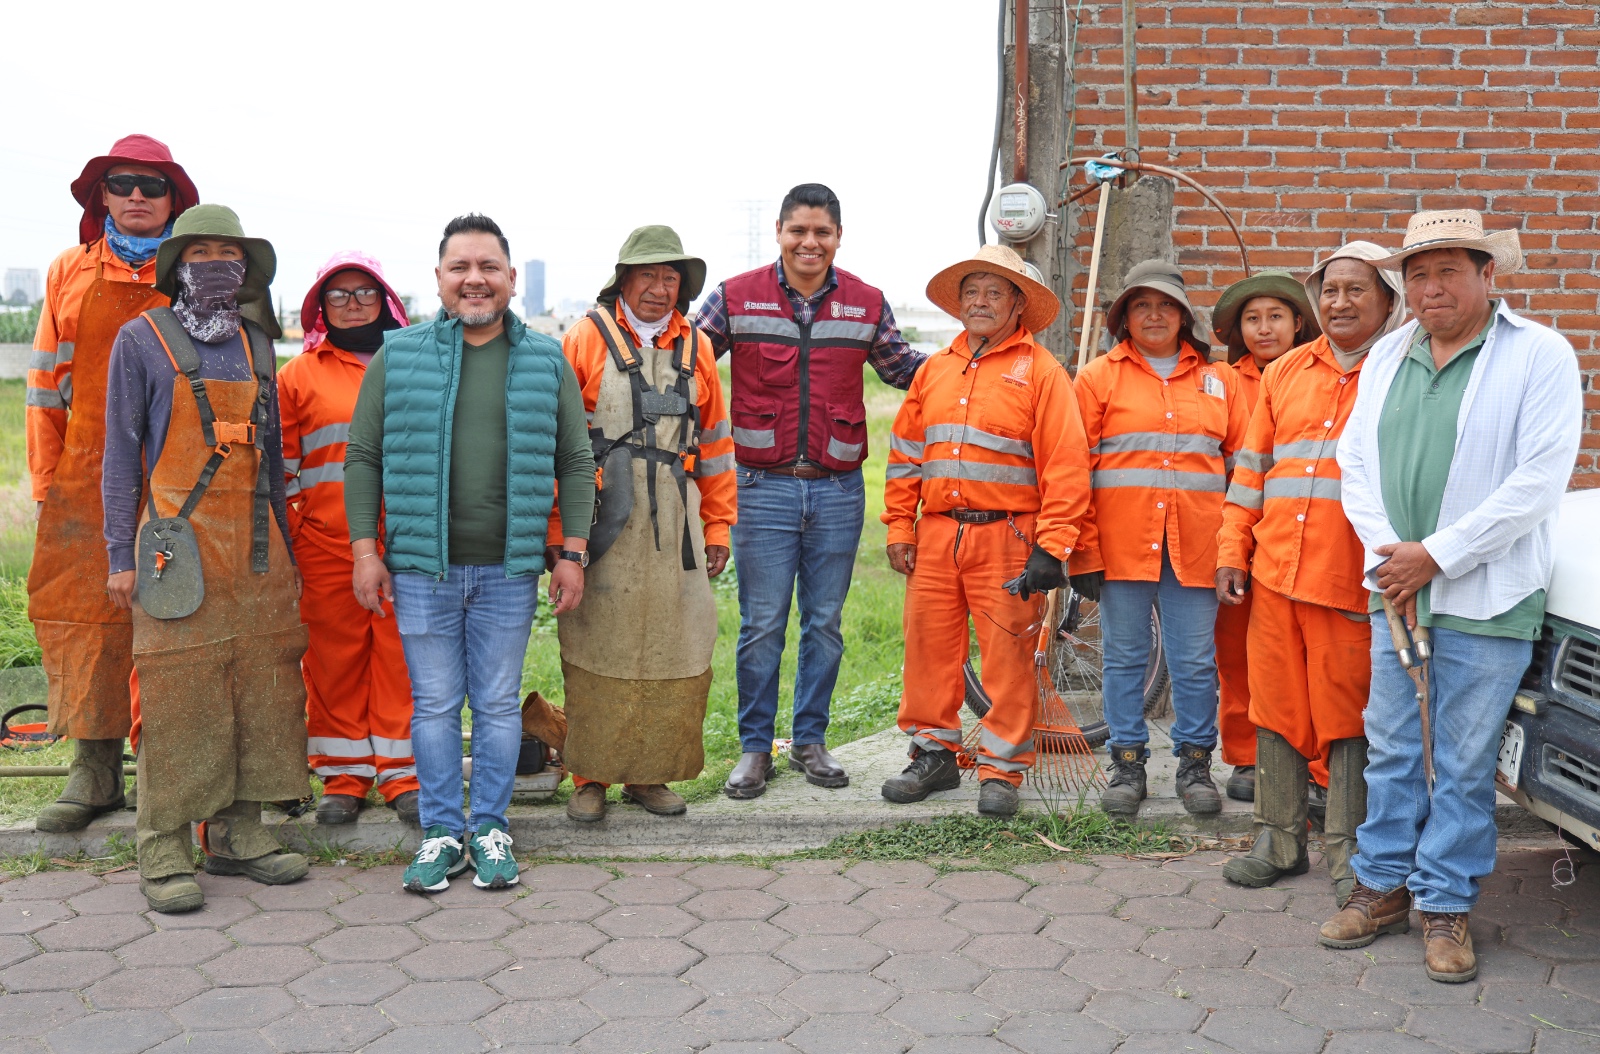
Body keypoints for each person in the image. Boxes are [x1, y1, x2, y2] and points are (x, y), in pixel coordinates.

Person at [1325, 211, 1582, 983]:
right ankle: (1382, 887)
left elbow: (1537, 482)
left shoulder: (1537, 354)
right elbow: (1355, 464)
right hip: (1397, 589)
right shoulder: (1387, 354)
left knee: (1464, 761)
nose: (1430, 289)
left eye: (1448, 272)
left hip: (1486, 594)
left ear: (1487, 275)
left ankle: (1445, 902)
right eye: (1418, 274)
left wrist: (1435, 555)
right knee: (1396, 747)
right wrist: (1392, 556)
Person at [344, 214, 595, 894]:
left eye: (489, 267)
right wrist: (366, 551)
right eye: (461, 267)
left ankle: (489, 827)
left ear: (511, 279)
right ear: (439, 279)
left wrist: (571, 551)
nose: (475, 279)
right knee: (431, 706)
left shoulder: (546, 359)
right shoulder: (400, 356)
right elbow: (362, 457)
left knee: (494, 703)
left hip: (510, 570)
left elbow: (575, 460)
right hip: (423, 568)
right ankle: (440, 834)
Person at [102, 205, 309, 913]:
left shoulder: (257, 344)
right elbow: (119, 462)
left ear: (245, 270)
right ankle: (162, 846)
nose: (218, 263)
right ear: (178, 263)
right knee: (177, 697)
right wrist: (116, 556)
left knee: (261, 690)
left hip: (256, 551)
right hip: (176, 550)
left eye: (231, 252)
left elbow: (275, 462)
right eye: (203, 251)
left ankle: (238, 833)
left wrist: (285, 548)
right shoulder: (139, 340)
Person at [694, 184, 925, 799]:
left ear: (838, 237)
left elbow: (906, 369)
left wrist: (976, 363)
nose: (809, 243)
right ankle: (752, 750)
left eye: (821, 232)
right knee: (762, 623)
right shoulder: (735, 297)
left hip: (838, 490)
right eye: (798, 230)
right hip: (760, 487)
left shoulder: (865, 304)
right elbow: (682, 363)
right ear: (778, 231)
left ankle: (810, 742)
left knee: (824, 623)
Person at [1215, 244, 1405, 904]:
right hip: (1273, 574)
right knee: (1275, 707)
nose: (1340, 302)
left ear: (1388, 301)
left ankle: (1350, 850)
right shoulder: (1287, 371)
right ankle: (1277, 839)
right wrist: (1231, 550)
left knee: (1350, 716)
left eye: (1357, 290)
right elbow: (1251, 471)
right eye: (1329, 291)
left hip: (1350, 580)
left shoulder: (1401, 372)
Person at [879, 244, 1091, 818]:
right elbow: (905, 455)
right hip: (937, 535)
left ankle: (1001, 768)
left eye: (994, 292)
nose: (980, 302)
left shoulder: (1043, 373)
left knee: (1006, 656)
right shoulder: (934, 370)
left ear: (1018, 304)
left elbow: (1067, 465)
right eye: (971, 291)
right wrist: (901, 523)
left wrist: (1053, 546)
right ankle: (934, 753)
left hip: (1009, 538)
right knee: (928, 648)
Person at [28, 135, 198, 833]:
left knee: (177, 619)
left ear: (173, 201)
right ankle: (93, 772)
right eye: (122, 183)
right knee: (88, 626)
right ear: (100, 195)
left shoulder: (194, 274)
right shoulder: (68, 271)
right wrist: (48, 483)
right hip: (84, 477)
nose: (136, 195)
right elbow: (44, 387)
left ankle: (174, 775)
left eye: (151, 186)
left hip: (181, 476)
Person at [551, 226, 736, 823]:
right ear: (623, 279)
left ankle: (650, 775)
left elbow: (716, 446)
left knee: (673, 644)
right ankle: (592, 776)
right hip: (601, 521)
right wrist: (561, 540)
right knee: (595, 643)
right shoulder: (582, 339)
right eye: (649, 276)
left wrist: (717, 529)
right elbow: (560, 447)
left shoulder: (698, 347)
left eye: (671, 278)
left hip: (675, 525)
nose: (660, 289)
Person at [1070, 261, 1250, 817]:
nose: (1154, 314)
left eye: (1165, 305)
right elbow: (1074, 468)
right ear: (1124, 316)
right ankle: (1127, 768)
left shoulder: (1219, 381)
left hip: (1198, 547)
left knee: (1195, 661)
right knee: (1125, 658)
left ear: (1183, 315)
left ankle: (1195, 767)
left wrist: (1234, 550)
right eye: (1141, 305)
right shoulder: (1098, 377)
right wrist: (1083, 549)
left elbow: (1244, 469)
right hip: (1122, 547)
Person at [279, 252, 418, 826]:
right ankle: (344, 776)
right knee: (333, 660)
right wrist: (298, 533)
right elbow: (282, 469)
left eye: (364, 292)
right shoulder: (299, 373)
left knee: (401, 658)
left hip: (405, 541)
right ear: (320, 306)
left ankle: (403, 776)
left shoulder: (415, 362)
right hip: (326, 543)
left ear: (385, 300)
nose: (353, 303)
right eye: (339, 295)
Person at [1206, 270, 1321, 804]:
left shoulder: (1320, 377)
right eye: (1252, 319)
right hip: (1237, 529)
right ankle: (1247, 757)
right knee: (1237, 655)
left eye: (1275, 316)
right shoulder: (1223, 382)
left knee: (1310, 657)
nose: (1263, 328)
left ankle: (1318, 764)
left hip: (1301, 534)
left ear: (1298, 323)